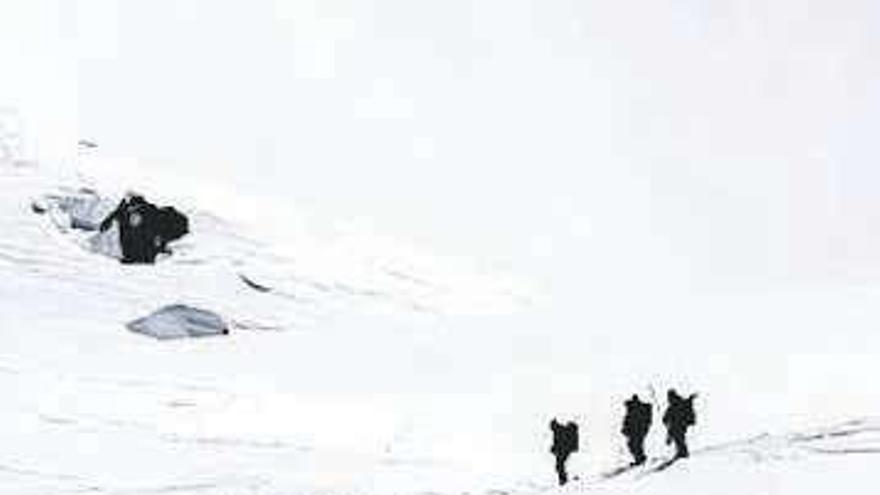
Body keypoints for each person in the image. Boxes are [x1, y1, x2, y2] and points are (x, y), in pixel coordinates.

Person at [99, 194, 162, 264]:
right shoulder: (124, 209)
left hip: (145, 252)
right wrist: (108, 221)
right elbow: (116, 213)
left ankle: (141, 257)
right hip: (130, 250)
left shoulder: (149, 210)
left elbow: (158, 225)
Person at [662, 389, 696, 459]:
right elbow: (668, 414)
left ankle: (682, 452)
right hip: (679, 424)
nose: (668, 399)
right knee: (678, 437)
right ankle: (681, 451)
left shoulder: (676, 403)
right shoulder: (676, 403)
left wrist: (665, 419)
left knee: (678, 437)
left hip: (679, 424)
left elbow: (669, 414)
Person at [621, 394, 652, 466]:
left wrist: (625, 428)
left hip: (637, 431)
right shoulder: (633, 409)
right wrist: (625, 428)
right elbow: (627, 421)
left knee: (635, 445)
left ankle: (640, 459)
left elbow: (629, 420)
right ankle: (640, 458)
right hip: (637, 431)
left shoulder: (635, 410)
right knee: (635, 445)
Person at [549, 419, 579, 486]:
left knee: (559, 465)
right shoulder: (558, 431)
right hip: (563, 451)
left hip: (563, 451)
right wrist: (554, 448)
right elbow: (557, 442)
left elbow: (562, 442)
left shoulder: (559, 431)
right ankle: (563, 479)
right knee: (559, 465)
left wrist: (555, 449)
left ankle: (563, 480)